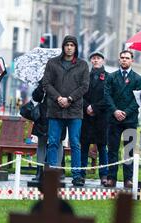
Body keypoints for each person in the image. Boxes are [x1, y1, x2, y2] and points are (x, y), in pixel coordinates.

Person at [42, 35, 90, 187]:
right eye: (67, 45)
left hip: (74, 110)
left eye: (72, 45)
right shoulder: (52, 63)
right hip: (55, 110)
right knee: (53, 142)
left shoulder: (83, 65)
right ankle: (52, 175)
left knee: (75, 143)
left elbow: (84, 86)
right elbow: (46, 84)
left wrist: (69, 99)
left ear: (76, 48)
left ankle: (77, 175)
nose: (69, 47)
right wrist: (58, 98)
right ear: (63, 46)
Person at [104, 50, 141, 188]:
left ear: (132, 60)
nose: (124, 60)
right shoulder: (111, 77)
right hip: (113, 118)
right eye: (122, 58)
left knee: (129, 150)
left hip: (130, 119)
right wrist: (115, 111)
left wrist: (125, 112)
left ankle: (128, 178)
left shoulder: (138, 79)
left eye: (127, 58)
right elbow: (107, 96)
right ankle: (111, 178)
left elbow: (137, 100)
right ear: (119, 59)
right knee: (112, 149)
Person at [80, 51, 109, 186]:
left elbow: (108, 97)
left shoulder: (109, 77)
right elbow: (80, 94)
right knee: (84, 145)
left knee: (102, 147)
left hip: (101, 117)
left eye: (98, 58)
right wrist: (87, 107)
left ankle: (104, 175)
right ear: (91, 61)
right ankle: (81, 173)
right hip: (86, 117)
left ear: (103, 61)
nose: (96, 61)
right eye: (93, 58)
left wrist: (95, 108)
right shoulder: (85, 76)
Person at [30, 79, 65, 181]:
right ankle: (39, 171)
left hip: (59, 114)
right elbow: (36, 97)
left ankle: (57, 171)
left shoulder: (64, 77)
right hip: (44, 116)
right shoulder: (44, 80)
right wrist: (42, 88)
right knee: (42, 142)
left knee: (58, 142)